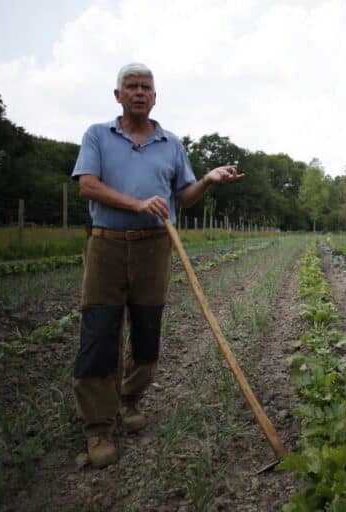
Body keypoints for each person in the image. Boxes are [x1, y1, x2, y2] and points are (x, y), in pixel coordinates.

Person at [70, 62, 243, 467]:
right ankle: (98, 426)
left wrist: (208, 180)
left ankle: (129, 399)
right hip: (107, 245)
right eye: (131, 86)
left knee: (147, 332)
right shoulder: (98, 135)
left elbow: (183, 196)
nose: (139, 92)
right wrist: (136, 204)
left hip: (154, 247)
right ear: (118, 96)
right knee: (100, 333)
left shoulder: (171, 144)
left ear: (154, 97)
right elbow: (87, 186)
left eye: (146, 87)